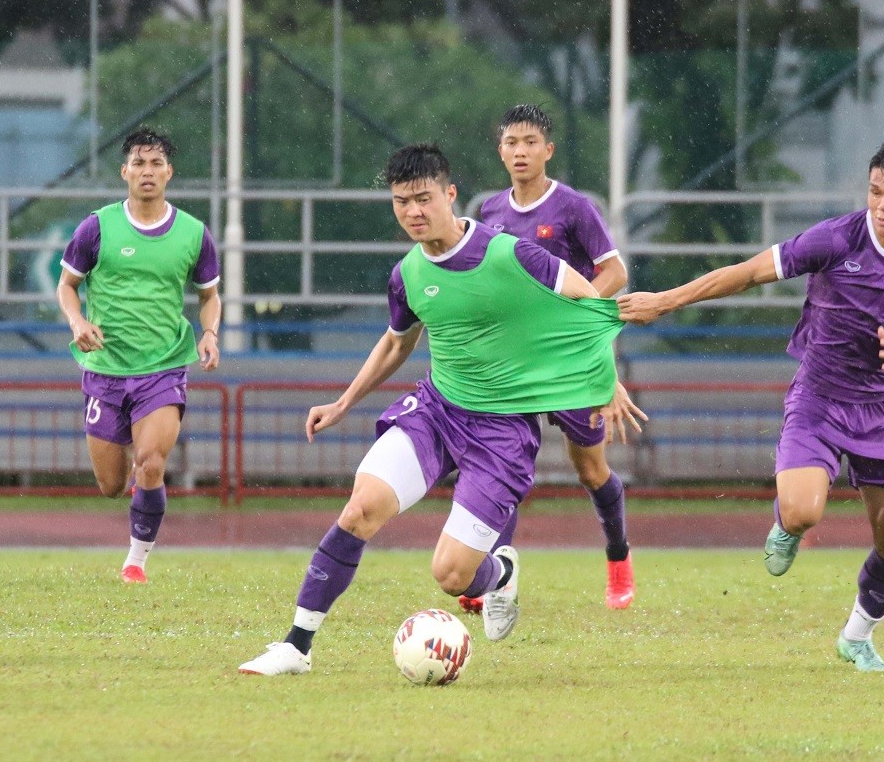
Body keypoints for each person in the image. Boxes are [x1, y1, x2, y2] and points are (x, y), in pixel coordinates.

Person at [238, 143, 644, 676]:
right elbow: (395, 344)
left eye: (423, 199)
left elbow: (590, 305)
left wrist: (604, 379)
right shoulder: (407, 274)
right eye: (401, 202)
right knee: (361, 508)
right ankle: (296, 647)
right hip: (436, 412)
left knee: (452, 575)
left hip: (502, 431)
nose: (412, 212)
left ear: (449, 195)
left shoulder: (511, 255)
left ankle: (498, 573)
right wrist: (343, 402)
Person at [618, 140, 884, 672]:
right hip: (819, 396)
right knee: (803, 511)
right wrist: (665, 301)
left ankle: (856, 636)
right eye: (874, 192)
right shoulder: (836, 238)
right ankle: (785, 524)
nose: (883, 204)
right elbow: (749, 272)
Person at [466, 103, 635, 613]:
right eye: (512, 142)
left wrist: (569, 320)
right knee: (506, 465)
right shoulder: (490, 212)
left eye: (530, 142)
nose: (520, 151)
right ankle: (493, 580)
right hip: (513, 363)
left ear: (548, 150)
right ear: (500, 151)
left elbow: (615, 274)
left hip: (567, 362)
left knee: (590, 469)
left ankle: (619, 559)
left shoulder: (574, 208)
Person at [57, 127, 222, 584]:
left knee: (151, 462)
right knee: (111, 485)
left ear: (169, 172)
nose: (147, 172)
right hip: (106, 370)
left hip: (164, 366)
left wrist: (209, 332)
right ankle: (136, 489)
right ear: (124, 171)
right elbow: (67, 286)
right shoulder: (97, 227)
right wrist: (78, 323)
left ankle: (136, 560)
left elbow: (210, 295)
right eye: (139, 163)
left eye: (156, 164)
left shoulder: (193, 233)